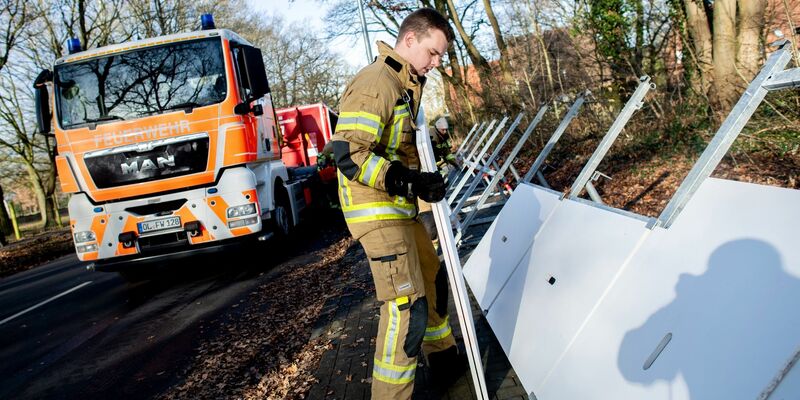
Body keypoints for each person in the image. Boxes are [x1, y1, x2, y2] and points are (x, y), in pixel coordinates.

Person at [330, 8, 464, 399]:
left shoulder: (404, 83)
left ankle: (444, 359)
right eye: (433, 53)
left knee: (432, 279)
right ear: (409, 41)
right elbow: (349, 153)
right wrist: (409, 180)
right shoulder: (377, 83)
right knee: (407, 310)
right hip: (378, 215)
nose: (436, 63)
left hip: (400, 210)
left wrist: (424, 176)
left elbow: (398, 147)